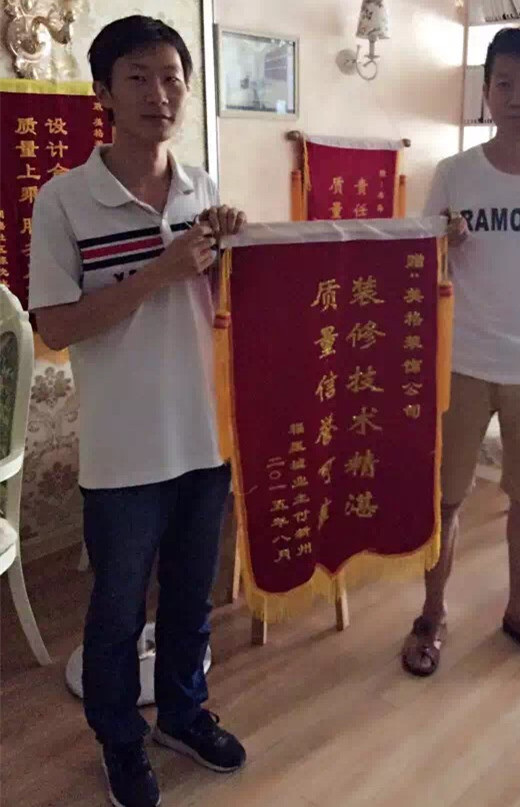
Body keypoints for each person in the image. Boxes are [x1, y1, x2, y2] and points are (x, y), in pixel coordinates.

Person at [29, 16, 247, 807]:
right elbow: (56, 326)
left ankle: (183, 714)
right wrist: (160, 270)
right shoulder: (64, 200)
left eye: (172, 79)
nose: (160, 95)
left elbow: (217, 306)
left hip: (203, 433)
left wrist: (229, 258)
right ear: (103, 92)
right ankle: (120, 741)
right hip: (123, 449)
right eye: (138, 78)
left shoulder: (203, 189)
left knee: (190, 598)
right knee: (117, 611)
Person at [401, 27, 520, 677]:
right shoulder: (454, 174)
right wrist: (442, 245)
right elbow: (420, 269)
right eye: (503, 84)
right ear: (485, 92)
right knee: (446, 501)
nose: (516, 98)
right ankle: (431, 614)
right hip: (460, 364)